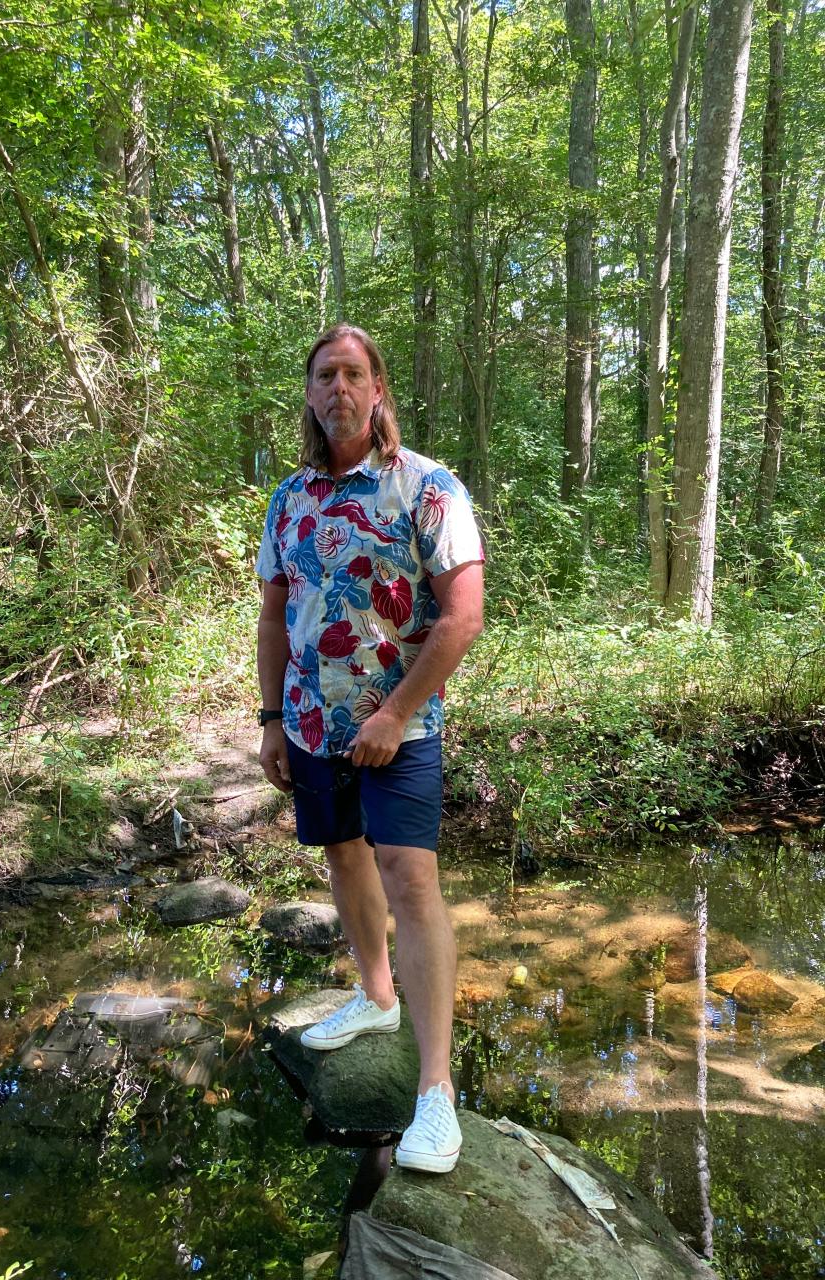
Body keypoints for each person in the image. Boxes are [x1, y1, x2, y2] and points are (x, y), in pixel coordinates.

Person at [255, 323, 484, 1174]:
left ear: (377, 387)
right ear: (311, 394)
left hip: (405, 726)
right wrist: (272, 719)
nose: (339, 388)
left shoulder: (427, 487)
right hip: (312, 724)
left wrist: (394, 713)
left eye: (354, 373)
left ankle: (435, 1094)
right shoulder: (289, 499)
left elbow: (462, 616)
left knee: (410, 878)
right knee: (343, 857)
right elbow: (275, 616)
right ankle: (376, 995)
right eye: (324, 375)